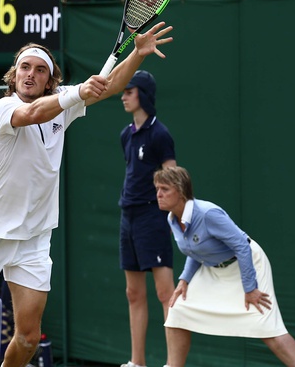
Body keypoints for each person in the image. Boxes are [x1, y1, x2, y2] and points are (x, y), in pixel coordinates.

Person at [0, 21, 174, 367]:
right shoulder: (4, 109)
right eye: (25, 67)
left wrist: (136, 55)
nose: (30, 74)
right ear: (14, 73)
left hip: (34, 239)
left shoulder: (62, 104)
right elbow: (34, 112)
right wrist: (79, 92)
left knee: (27, 339)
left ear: (49, 80)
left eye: (40, 70)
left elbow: (109, 86)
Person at [153, 166, 295, 367]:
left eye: (164, 189)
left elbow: (241, 246)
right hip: (213, 269)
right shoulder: (172, 219)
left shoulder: (208, 214)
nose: (158, 194)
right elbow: (196, 250)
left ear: (181, 191)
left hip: (247, 264)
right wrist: (184, 279)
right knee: (178, 310)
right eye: (157, 188)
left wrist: (250, 288)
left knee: (267, 327)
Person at [118, 70, 177, 367]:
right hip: (127, 216)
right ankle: (136, 362)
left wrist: (172, 214)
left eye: (129, 91)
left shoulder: (160, 134)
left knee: (165, 292)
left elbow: (172, 178)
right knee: (133, 292)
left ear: (143, 94)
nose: (123, 96)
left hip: (152, 218)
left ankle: (172, 363)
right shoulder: (126, 135)